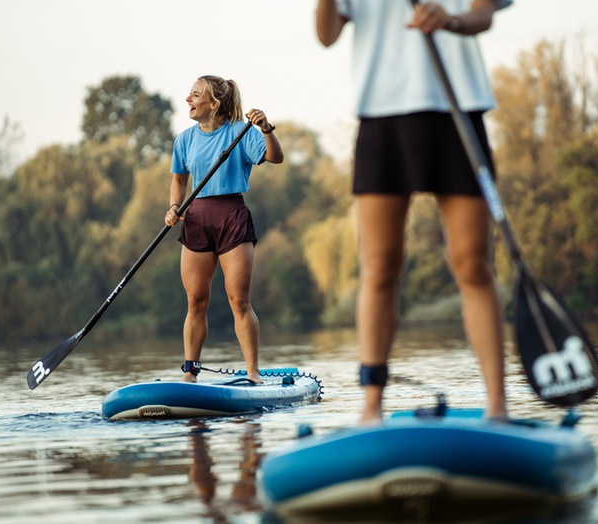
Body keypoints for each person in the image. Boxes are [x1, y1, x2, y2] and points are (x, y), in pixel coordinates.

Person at [316, 0, 511, 423]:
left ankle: (498, 406)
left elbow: (484, 14)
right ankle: (371, 406)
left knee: (473, 263)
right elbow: (327, 34)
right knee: (380, 266)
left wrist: (450, 19)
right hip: (381, 115)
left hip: (457, 108)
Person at [166, 75, 284, 384]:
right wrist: (173, 207)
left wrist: (266, 129)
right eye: (189, 95)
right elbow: (179, 180)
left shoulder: (240, 133)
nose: (188, 100)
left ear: (214, 103)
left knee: (239, 301)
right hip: (196, 219)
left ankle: (253, 373)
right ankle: (190, 372)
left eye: (195, 95)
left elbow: (276, 157)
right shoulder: (185, 140)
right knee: (195, 301)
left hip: (231, 217)